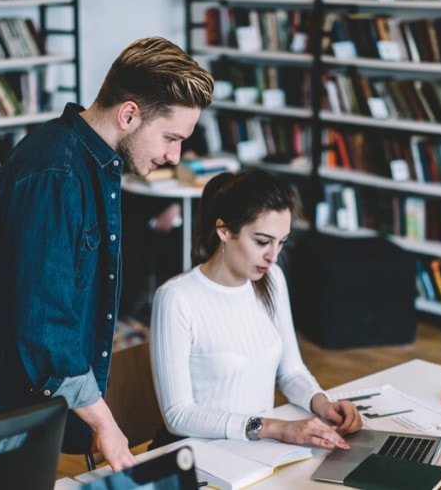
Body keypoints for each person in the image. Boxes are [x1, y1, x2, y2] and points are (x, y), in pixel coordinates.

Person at [0, 36, 214, 471]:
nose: (175, 156)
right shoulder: (56, 173)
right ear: (129, 114)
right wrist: (106, 424)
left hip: (14, 405)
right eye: (171, 137)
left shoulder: (90, 163)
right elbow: (47, 324)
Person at [149, 168, 363, 449]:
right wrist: (275, 428)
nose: (273, 256)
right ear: (224, 230)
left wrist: (322, 403)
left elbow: (291, 371)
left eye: (281, 243)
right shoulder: (176, 298)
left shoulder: (272, 280)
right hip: (199, 453)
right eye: (262, 242)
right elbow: (178, 416)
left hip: (256, 447)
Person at [119, 125, 209, 323]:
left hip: (178, 204)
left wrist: (175, 207)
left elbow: (193, 170)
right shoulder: (143, 132)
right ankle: (128, 302)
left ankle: (183, 306)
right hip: (145, 199)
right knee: (130, 231)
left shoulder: (194, 136)